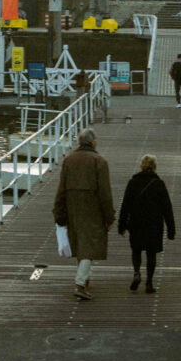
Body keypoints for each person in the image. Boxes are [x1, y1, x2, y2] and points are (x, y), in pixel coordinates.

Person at [53, 127, 115, 300]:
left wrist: (58, 211)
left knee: (80, 242)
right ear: (93, 142)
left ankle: (85, 278)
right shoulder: (99, 162)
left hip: (72, 206)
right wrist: (109, 216)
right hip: (92, 208)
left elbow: (61, 189)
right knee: (89, 245)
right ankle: (80, 284)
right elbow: (105, 193)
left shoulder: (69, 160)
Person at [118, 154, 175, 294]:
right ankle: (149, 282)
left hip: (136, 223)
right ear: (155, 167)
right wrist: (171, 229)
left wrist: (122, 225)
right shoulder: (159, 184)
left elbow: (125, 205)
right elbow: (167, 208)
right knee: (151, 253)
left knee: (136, 250)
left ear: (141, 166)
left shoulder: (133, 182)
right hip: (153, 224)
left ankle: (137, 272)